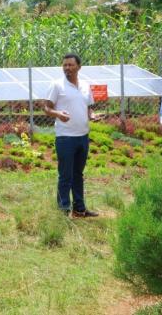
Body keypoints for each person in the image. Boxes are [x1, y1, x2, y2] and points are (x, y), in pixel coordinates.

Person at [43, 53, 98, 218]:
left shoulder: (86, 86)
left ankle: (79, 209)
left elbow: (89, 107)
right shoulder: (57, 85)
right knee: (65, 175)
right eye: (65, 65)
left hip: (83, 136)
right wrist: (58, 113)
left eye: (70, 65)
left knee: (78, 174)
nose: (67, 68)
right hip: (65, 137)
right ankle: (63, 210)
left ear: (79, 67)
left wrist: (92, 115)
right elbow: (46, 108)